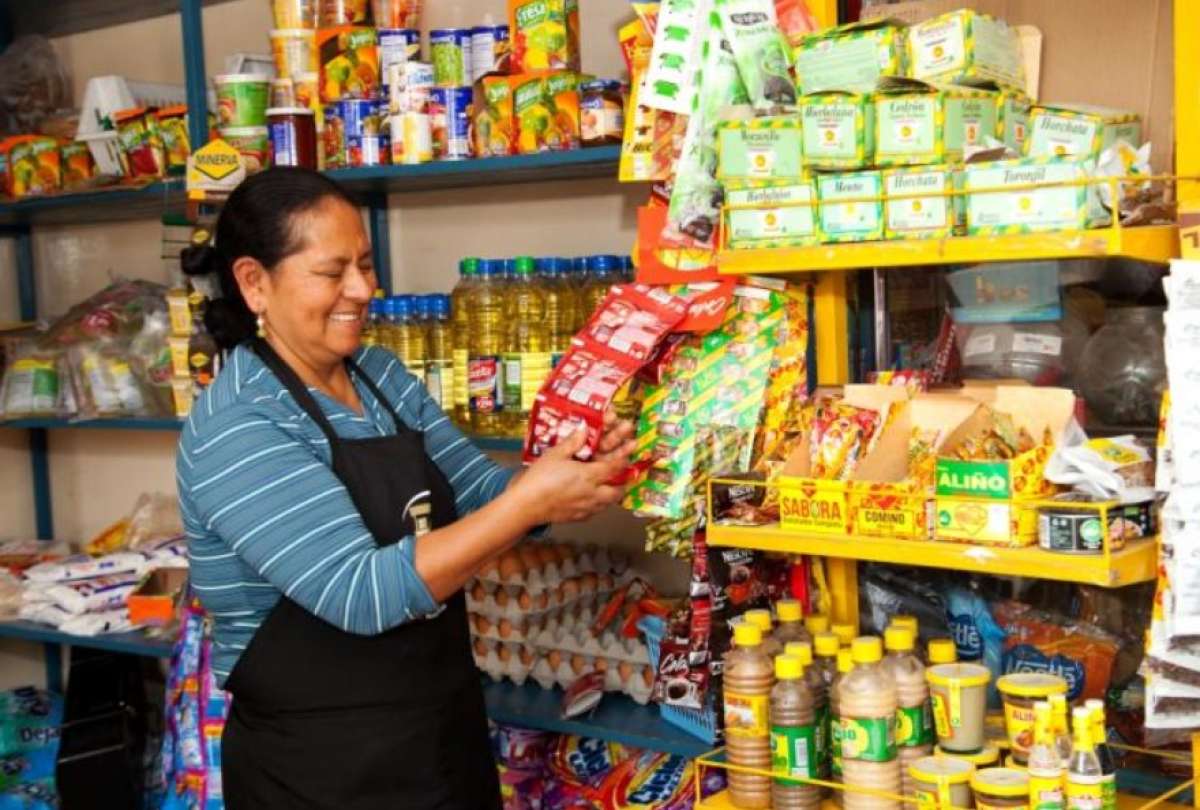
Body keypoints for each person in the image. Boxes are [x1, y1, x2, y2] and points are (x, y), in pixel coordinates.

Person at [175, 168, 634, 809]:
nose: (363, 289)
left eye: (365, 264)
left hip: (439, 742)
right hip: (323, 774)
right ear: (255, 282)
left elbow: (483, 496)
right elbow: (362, 593)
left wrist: (574, 463)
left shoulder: (380, 376)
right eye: (333, 273)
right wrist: (529, 502)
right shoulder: (239, 423)